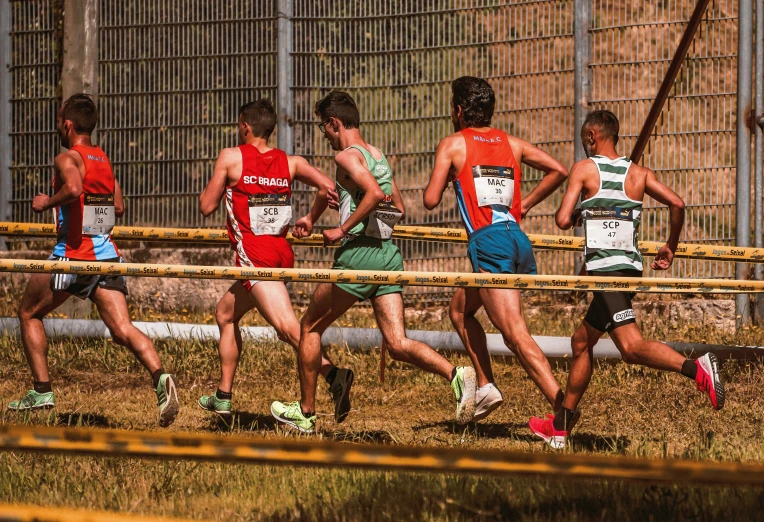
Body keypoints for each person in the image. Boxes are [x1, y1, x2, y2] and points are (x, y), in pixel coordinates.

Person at [270, 91, 477, 433]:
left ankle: (305, 414)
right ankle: (456, 374)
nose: (324, 135)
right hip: (387, 254)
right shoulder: (377, 156)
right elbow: (396, 206)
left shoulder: (347, 158)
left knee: (308, 328)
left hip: (358, 256)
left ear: (334, 123)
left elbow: (376, 196)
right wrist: (319, 215)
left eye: (325, 128)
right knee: (396, 344)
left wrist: (343, 228)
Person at [528, 110, 724, 448]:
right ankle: (560, 427)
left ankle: (698, 370)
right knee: (580, 342)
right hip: (628, 270)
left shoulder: (584, 170)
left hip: (605, 271)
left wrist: (581, 211)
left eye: (583, 140)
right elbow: (677, 203)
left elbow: (561, 220)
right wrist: (670, 246)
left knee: (631, 348)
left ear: (591, 136)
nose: (583, 146)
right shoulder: (638, 173)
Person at [11, 93, 179, 427]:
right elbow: (118, 207)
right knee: (122, 329)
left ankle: (42, 391)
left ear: (68, 124)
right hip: (106, 256)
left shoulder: (66, 158)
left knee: (28, 312)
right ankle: (161, 379)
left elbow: (73, 190)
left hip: (73, 256)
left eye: (60, 121)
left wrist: (48, 203)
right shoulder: (103, 159)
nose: (59, 126)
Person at [424, 76, 570, 422]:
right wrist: (527, 204)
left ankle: (562, 409)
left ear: (458, 111)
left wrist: (448, 178)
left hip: (489, 242)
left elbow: (430, 200)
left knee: (514, 334)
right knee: (459, 311)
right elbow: (558, 170)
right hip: (515, 237)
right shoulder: (512, 143)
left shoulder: (453, 144)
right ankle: (487, 386)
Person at [198, 99, 353, 419]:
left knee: (288, 329)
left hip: (256, 259)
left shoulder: (230, 157)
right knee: (225, 314)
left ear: (244, 126)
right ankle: (223, 396)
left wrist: (219, 182)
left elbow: (206, 206)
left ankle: (334, 376)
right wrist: (310, 218)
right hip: (281, 254)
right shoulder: (291, 162)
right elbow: (328, 187)